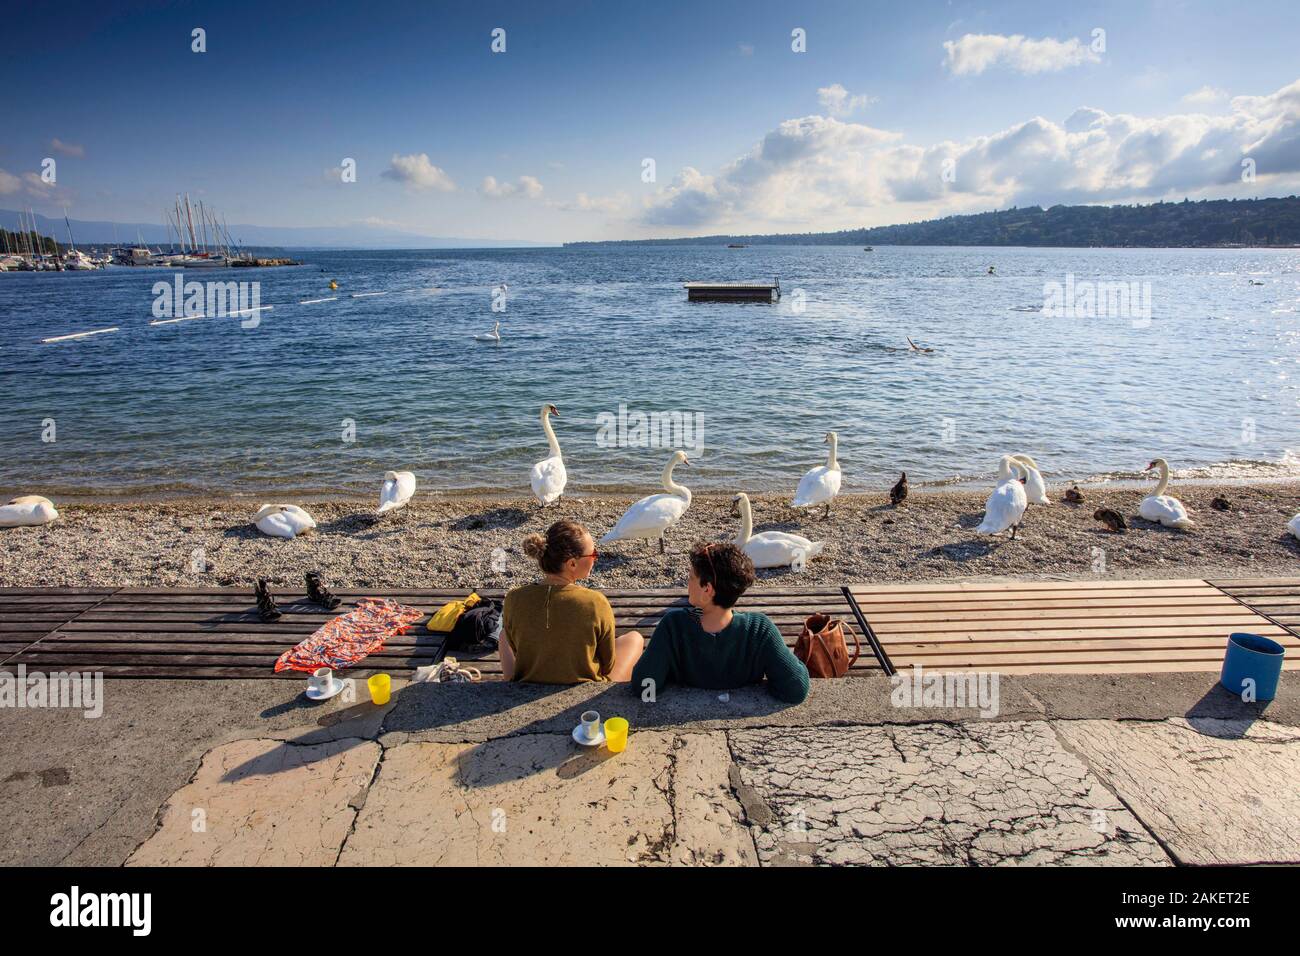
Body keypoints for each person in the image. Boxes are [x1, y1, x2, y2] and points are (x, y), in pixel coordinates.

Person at [631, 542, 809, 703]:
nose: (687, 582)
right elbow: (796, 689)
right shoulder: (758, 630)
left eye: (691, 577)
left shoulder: (674, 626)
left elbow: (643, 685)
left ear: (707, 589)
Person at [500, 519, 644, 683]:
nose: (596, 558)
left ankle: (510, 686)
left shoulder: (514, 598)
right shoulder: (595, 602)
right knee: (634, 639)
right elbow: (607, 665)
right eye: (593, 554)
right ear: (572, 564)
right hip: (583, 690)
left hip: (528, 682)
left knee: (504, 634)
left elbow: (516, 649)